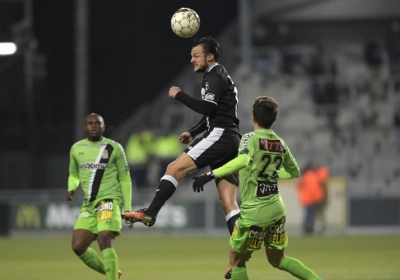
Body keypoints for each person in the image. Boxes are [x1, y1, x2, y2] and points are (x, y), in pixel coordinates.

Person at [122, 36, 241, 236]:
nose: (192, 60)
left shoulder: (214, 73)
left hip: (220, 135)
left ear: (210, 57)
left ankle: (150, 213)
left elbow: (208, 107)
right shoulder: (220, 75)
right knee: (228, 202)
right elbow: (216, 112)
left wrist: (179, 95)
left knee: (173, 168)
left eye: (196, 55)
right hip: (230, 139)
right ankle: (240, 254)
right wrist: (193, 132)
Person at [192, 96, 322, 280]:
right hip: (276, 210)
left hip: (255, 212)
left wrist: (211, 174)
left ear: (253, 117)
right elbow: (294, 172)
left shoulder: (249, 138)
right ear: (273, 119)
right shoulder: (281, 143)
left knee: (236, 261)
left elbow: (243, 160)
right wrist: (275, 174)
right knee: (278, 260)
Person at [66, 113, 133, 280]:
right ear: (85, 128)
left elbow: (125, 178)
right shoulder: (76, 148)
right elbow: (73, 174)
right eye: (90, 123)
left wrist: (129, 208)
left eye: (97, 123)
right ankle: (111, 271)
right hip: (89, 204)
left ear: (103, 127)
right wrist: (72, 187)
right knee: (78, 246)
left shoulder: (114, 148)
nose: (94, 126)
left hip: (109, 200)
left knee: (104, 239)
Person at [296, 163, 324, 235]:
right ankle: (308, 229)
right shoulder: (314, 175)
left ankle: (307, 228)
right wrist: (321, 169)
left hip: (306, 199)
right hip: (313, 199)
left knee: (308, 215)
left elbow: (299, 185)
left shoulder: (305, 176)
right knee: (311, 215)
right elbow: (323, 177)